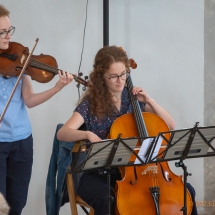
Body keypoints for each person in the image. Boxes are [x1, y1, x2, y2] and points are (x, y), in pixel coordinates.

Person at [57, 45, 198, 215]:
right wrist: (87, 133)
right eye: (114, 76)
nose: (120, 80)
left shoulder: (133, 99)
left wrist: (149, 100)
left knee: (186, 191)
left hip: (140, 173)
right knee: (107, 199)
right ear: (102, 77)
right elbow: (62, 133)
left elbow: (170, 125)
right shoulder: (90, 105)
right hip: (99, 175)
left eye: (123, 74)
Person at [0, 4, 73, 215]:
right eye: (2, 32)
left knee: (17, 203)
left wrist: (57, 87)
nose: (8, 36)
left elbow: (29, 100)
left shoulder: (18, 57)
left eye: (10, 30)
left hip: (22, 142)